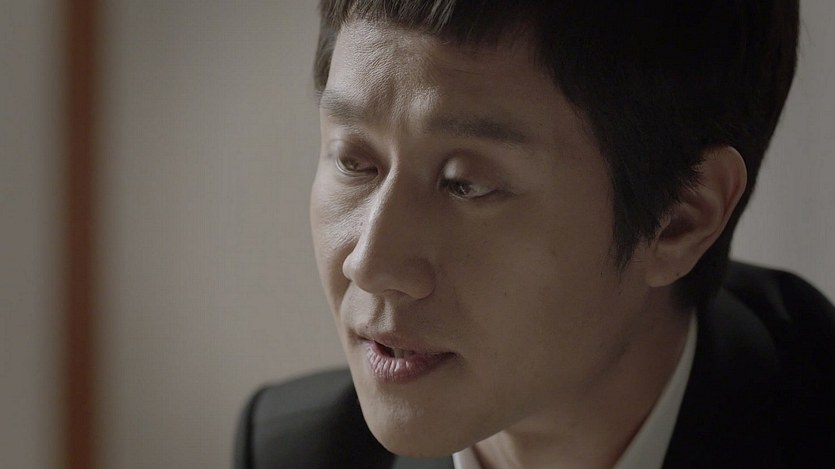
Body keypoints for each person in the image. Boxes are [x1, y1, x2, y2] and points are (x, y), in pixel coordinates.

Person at [235, 1, 835, 467]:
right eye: (354, 161)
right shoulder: (298, 453)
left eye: (465, 184)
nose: (370, 264)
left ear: (680, 218)